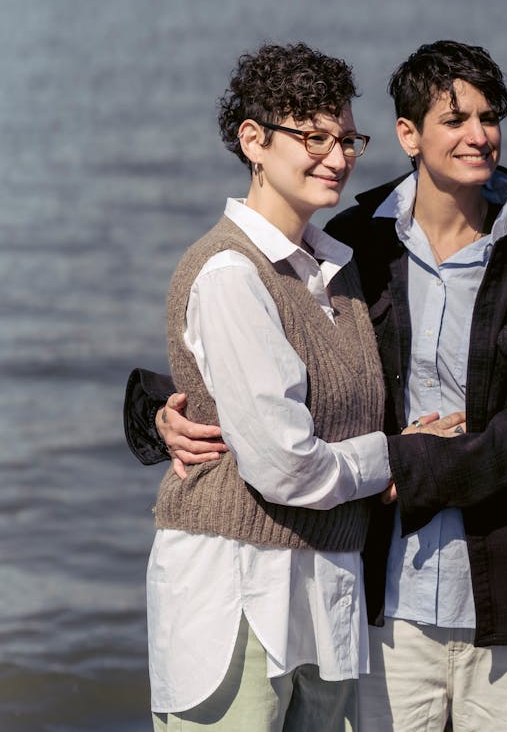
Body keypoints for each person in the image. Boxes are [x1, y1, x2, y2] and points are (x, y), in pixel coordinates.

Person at [126, 40, 507, 732]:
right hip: (382, 601)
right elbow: (260, 362)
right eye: (456, 117)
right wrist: (158, 413)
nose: (480, 133)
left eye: (490, 115)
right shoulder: (357, 247)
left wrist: (432, 466)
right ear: (409, 134)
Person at [139, 41, 463, 732]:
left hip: (326, 599)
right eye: (313, 136)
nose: (338, 155)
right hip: (239, 599)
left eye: (347, 137)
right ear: (253, 141)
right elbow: (284, 462)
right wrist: (400, 456)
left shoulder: (335, 273)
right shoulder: (229, 273)